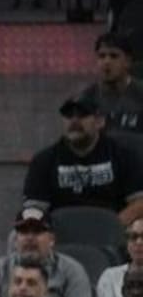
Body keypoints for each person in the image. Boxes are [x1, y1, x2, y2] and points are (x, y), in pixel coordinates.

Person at [23, 95, 143, 225]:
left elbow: (139, 203)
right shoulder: (43, 161)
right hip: (60, 237)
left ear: (100, 121)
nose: (74, 121)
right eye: (69, 115)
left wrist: (112, 228)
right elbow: (34, 208)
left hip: (113, 235)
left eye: (82, 114)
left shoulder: (123, 155)